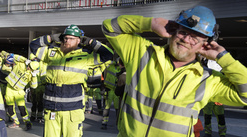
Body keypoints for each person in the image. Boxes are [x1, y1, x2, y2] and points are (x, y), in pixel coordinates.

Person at [102, 5, 247, 137]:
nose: (186, 40)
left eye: (195, 38)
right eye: (183, 32)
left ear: (205, 45)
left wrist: (224, 58)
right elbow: (110, 27)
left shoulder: (208, 79)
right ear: (173, 31)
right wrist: (151, 23)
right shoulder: (143, 54)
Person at [29, 24, 113, 137]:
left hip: (72, 110)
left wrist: (90, 42)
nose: (67, 40)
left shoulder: (85, 56)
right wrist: (51, 37)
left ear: (79, 40)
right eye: (65, 38)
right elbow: (33, 45)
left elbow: (108, 54)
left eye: (71, 38)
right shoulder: (51, 53)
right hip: (51, 109)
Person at [4, 53, 39, 131]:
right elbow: (15, 56)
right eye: (29, 66)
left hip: (19, 92)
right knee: (10, 108)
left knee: (22, 108)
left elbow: (34, 86)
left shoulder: (31, 74)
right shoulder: (21, 64)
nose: (29, 68)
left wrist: (34, 76)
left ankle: (27, 122)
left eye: (31, 68)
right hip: (9, 88)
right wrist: (25, 60)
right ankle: (15, 122)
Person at [201, 59, 227, 137]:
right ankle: (209, 132)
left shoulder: (218, 75)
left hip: (216, 97)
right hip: (209, 98)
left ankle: (221, 133)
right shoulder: (208, 74)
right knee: (209, 117)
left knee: (219, 116)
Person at [101, 59, 120, 130]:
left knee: (117, 108)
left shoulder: (122, 70)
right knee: (106, 107)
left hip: (116, 91)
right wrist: (115, 62)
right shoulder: (110, 66)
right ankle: (104, 123)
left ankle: (118, 124)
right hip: (109, 90)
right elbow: (106, 61)